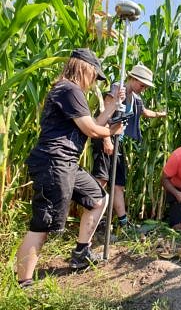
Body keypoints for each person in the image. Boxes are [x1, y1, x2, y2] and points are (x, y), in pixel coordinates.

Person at [16, 48, 125, 288]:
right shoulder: (69, 89)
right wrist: (112, 132)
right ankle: (24, 282)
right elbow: (92, 130)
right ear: (84, 68)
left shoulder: (71, 92)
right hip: (54, 161)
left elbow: (94, 123)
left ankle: (81, 253)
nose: (93, 82)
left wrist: (113, 105)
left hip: (67, 163)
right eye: (94, 76)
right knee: (43, 223)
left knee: (98, 198)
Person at [92, 64, 166, 229]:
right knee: (102, 179)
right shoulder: (118, 89)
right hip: (106, 137)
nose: (144, 89)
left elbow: (144, 112)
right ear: (133, 79)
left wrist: (160, 114)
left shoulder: (135, 98)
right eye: (142, 85)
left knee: (118, 184)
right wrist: (106, 140)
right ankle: (93, 220)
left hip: (119, 140)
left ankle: (124, 223)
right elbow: (105, 112)